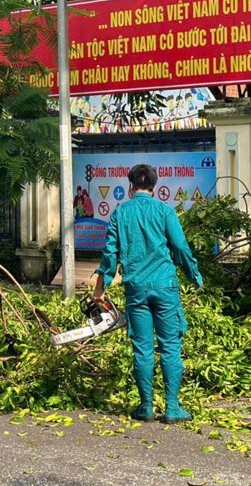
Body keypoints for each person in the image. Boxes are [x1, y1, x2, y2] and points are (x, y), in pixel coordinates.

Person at [92, 164, 203, 424]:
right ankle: (173, 408)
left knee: (142, 349)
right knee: (170, 346)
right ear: (154, 186)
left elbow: (110, 253)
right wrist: (193, 274)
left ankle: (146, 407)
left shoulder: (120, 214)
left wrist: (101, 287)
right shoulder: (165, 211)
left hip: (136, 289)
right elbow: (180, 246)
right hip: (165, 287)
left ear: (130, 187)